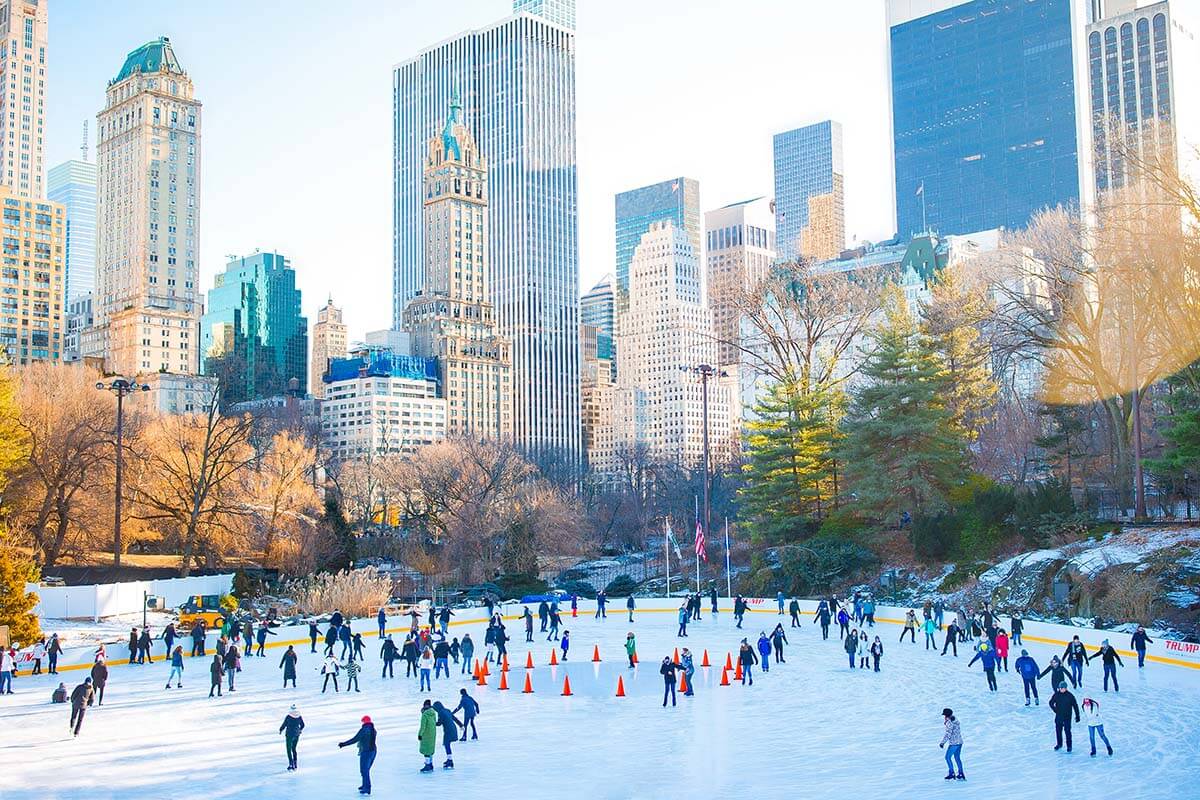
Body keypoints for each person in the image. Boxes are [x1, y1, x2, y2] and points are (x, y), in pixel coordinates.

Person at [338, 715, 378, 794]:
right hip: (373, 752)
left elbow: (355, 739)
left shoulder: (364, 730)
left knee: (364, 771)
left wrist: (343, 744)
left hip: (366, 752)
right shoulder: (373, 730)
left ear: (364, 722)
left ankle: (367, 789)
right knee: (366, 770)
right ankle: (364, 785)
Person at [1049, 681, 1080, 752]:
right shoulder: (1056, 695)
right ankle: (1059, 744)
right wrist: (1055, 710)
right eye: (1060, 688)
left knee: (1067, 731)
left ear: (1066, 688)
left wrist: (1077, 715)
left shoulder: (1070, 696)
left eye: (1062, 688)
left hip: (1067, 716)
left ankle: (1069, 746)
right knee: (1058, 731)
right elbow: (1051, 703)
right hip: (1059, 716)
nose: (1061, 689)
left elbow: (1075, 706)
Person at [432, 700, 462, 769]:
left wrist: (432, 723)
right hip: (453, 729)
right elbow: (455, 718)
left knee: (447, 744)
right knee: (447, 744)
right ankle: (449, 760)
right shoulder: (447, 710)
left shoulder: (440, 713)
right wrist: (461, 725)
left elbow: (439, 723)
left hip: (448, 731)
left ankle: (450, 761)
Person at [939, 708, 965, 781]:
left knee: (947, 757)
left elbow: (948, 734)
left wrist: (942, 742)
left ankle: (951, 773)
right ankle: (961, 774)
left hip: (954, 743)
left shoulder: (949, 722)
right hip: (959, 742)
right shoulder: (955, 719)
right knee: (957, 757)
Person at [280, 703, 305, 770]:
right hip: (297, 735)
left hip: (289, 735)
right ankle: (295, 764)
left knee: (288, 750)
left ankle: (291, 764)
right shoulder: (299, 716)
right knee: (294, 749)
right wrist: (299, 730)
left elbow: (284, 724)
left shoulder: (288, 716)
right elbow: (303, 725)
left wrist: (280, 730)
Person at [418, 700, 438, 773]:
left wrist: (420, 734)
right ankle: (430, 764)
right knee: (430, 750)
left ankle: (428, 765)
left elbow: (423, 726)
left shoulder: (425, 714)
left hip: (426, 734)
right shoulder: (433, 713)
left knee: (426, 750)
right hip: (432, 733)